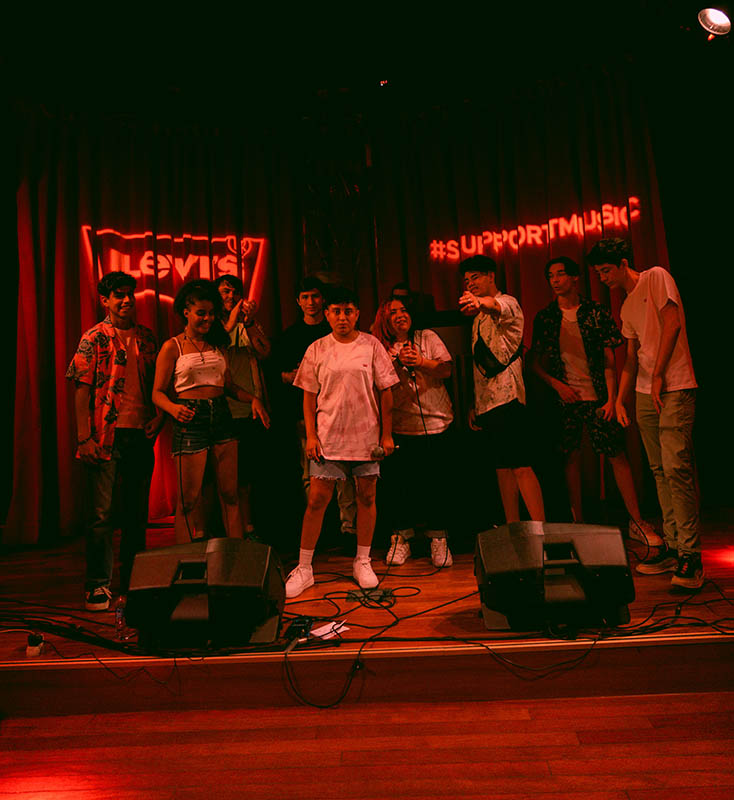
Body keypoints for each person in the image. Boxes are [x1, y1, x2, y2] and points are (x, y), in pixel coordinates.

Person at [588, 239, 703, 590]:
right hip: (644, 393)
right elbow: (631, 358)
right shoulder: (625, 306)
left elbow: (673, 323)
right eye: (599, 273)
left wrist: (658, 376)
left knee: (677, 467)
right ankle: (673, 545)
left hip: (674, 385)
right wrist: (620, 400)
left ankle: (691, 555)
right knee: (658, 470)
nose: (603, 278)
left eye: (606, 270)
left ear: (623, 264)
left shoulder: (656, 277)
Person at [528, 256, 662, 546]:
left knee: (616, 454)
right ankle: (577, 522)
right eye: (550, 275)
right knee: (570, 457)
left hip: (599, 397)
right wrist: (557, 386)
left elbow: (609, 359)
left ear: (574, 278)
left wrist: (612, 399)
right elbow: (535, 362)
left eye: (561, 274)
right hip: (566, 400)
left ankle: (637, 521)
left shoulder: (595, 312)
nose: (555, 280)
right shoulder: (546, 317)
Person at [285, 286, 399, 598]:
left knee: (367, 497)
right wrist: (311, 435)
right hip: (328, 437)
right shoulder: (317, 348)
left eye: (348, 311)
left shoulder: (371, 345)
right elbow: (308, 397)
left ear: (357, 313)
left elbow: (386, 391)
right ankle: (304, 567)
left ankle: (362, 560)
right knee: (317, 500)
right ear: (327, 314)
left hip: (366, 437)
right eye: (336, 311)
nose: (342, 317)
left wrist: (386, 434)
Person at [66, 272, 163, 611]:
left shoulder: (147, 338)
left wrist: (159, 418)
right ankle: (98, 584)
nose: (125, 300)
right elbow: (81, 389)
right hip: (105, 434)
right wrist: (84, 437)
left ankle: (135, 579)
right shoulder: (94, 337)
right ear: (105, 300)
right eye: (118, 295)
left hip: (140, 433)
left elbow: (159, 385)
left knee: (136, 512)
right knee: (101, 513)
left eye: (129, 294)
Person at [152, 280, 269, 544]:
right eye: (201, 313)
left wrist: (253, 399)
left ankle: (235, 556)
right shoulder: (173, 346)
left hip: (222, 415)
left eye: (212, 313)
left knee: (230, 494)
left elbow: (228, 386)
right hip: (191, 417)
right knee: (188, 500)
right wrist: (173, 408)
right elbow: (157, 392)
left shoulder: (217, 345)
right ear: (186, 312)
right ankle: (185, 557)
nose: (208, 319)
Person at [458, 255, 545, 523]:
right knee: (502, 467)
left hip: (509, 398)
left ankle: (540, 530)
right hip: (487, 402)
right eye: (467, 281)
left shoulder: (508, 302)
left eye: (475, 277)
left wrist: (479, 302)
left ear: (491, 276)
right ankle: (512, 526)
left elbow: (494, 306)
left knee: (520, 465)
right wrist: (474, 404)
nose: (471, 283)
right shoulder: (477, 320)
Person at [371, 298, 454, 567]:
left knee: (437, 487)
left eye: (403, 310)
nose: (400, 315)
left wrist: (420, 362)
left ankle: (438, 539)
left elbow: (446, 369)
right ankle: (400, 539)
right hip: (398, 427)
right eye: (392, 312)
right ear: (384, 319)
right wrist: (396, 364)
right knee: (399, 489)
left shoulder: (427, 337)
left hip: (436, 423)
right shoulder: (377, 346)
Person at [277, 276, 357, 536]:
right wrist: (293, 376)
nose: (311, 302)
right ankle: (318, 529)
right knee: (310, 472)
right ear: (298, 302)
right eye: (305, 297)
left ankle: (348, 528)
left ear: (323, 301)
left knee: (344, 472)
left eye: (315, 296)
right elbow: (277, 373)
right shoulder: (290, 335)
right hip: (306, 414)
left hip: (341, 412)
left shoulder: (334, 331)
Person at [215, 274, 270, 535]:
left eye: (235, 292)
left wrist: (249, 323)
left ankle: (248, 528)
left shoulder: (247, 324)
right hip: (223, 407)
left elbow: (265, 351)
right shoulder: (212, 324)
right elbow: (219, 341)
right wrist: (234, 317)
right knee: (225, 478)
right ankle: (224, 532)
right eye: (225, 292)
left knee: (248, 475)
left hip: (251, 407)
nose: (230, 297)